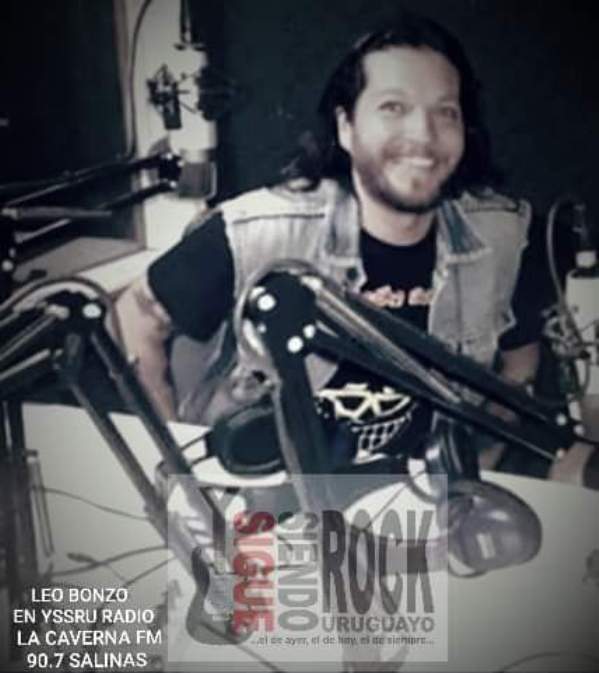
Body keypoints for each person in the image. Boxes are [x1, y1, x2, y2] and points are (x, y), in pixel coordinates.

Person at [116, 12, 549, 464]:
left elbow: (518, 368)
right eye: (394, 107)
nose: (424, 135)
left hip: (423, 491)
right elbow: (136, 317)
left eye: (446, 112)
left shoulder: (504, 237)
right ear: (346, 127)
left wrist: (474, 474)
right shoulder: (259, 232)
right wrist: (175, 466)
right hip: (274, 487)